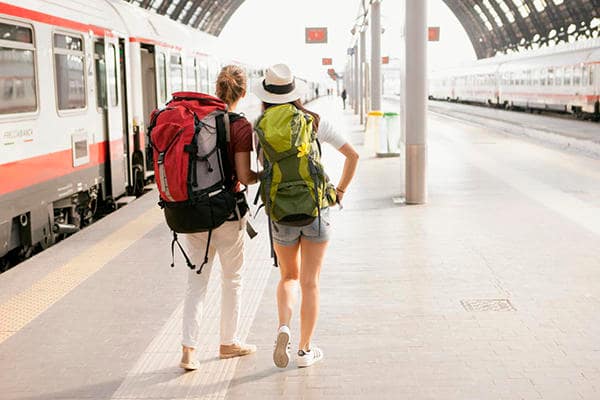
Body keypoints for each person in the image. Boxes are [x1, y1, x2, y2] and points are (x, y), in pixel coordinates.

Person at [253, 64, 359, 368]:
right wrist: (338, 192)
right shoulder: (313, 122)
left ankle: (283, 326)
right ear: (294, 93)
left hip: (281, 212)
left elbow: (259, 173)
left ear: (266, 95)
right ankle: (304, 350)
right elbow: (353, 155)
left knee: (288, 277)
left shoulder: (259, 126)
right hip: (316, 209)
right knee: (310, 282)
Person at [179, 65, 258, 371]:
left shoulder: (197, 120)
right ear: (243, 92)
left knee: (196, 282)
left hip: (195, 214)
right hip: (227, 214)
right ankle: (228, 343)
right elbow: (244, 176)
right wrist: (261, 174)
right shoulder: (239, 126)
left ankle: (188, 350)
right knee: (232, 279)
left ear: (216, 88)